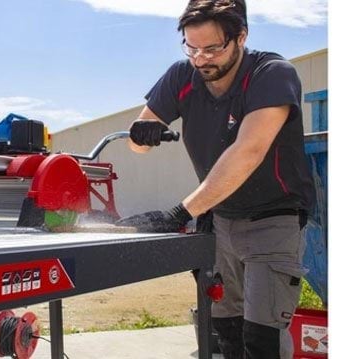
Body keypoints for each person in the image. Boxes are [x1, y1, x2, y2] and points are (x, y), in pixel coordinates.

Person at [115, 0, 315, 358]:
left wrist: (179, 213)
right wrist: (140, 136)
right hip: (220, 220)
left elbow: (248, 152)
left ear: (241, 37)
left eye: (212, 49)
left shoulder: (272, 73)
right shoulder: (182, 76)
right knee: (223, 331)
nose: (201, 59)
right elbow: (139, 141)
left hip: (273, 221)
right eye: (192, 48)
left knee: (261, 340)